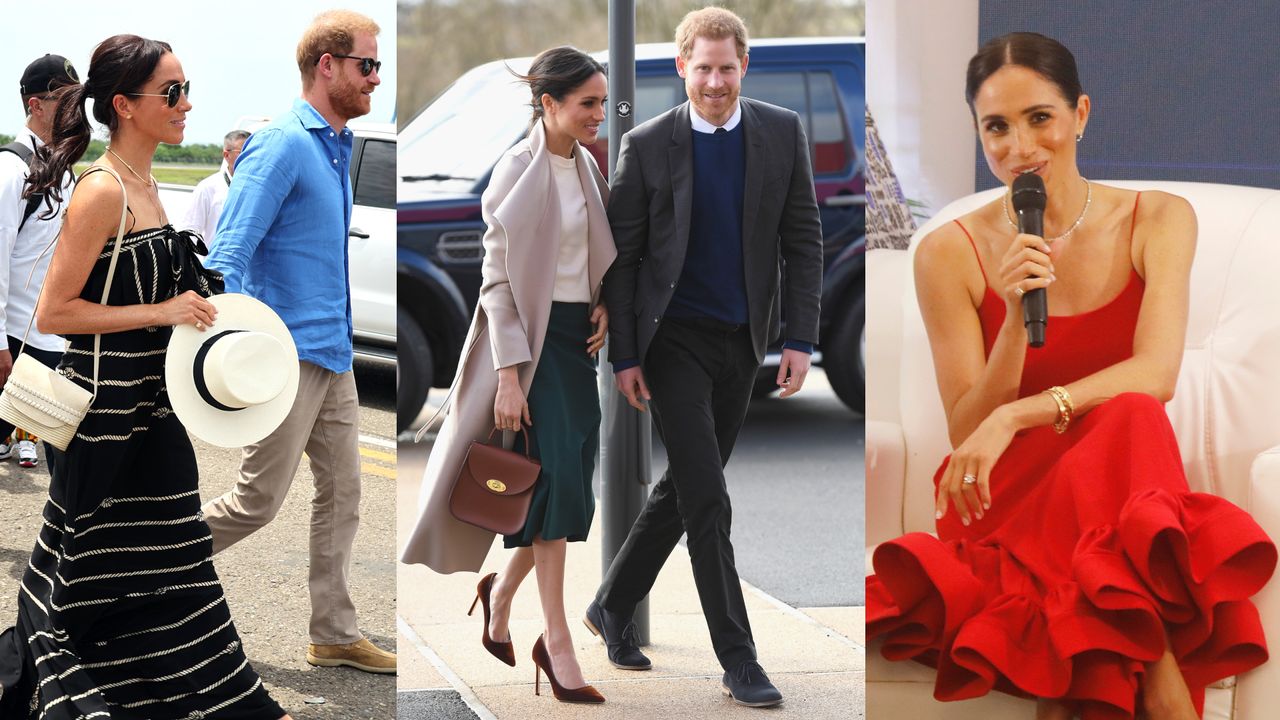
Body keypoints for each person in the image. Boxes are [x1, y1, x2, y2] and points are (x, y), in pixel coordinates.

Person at [865, 32, 1276, 720]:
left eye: (1039, 118)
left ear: (1080, 114)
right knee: (1127, 420)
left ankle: (1091, 674)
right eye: (997, 127)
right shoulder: (947, 253)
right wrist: (1013, 319)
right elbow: (968, 427)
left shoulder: (1159, 219)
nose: (1021, 146)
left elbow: (1156, 373)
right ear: (979, 133)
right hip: (1004, 493)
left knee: (1133, 414)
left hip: (1115, 481)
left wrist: (1018, 413)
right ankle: (1158, 664)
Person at [0, 34, 288, 719]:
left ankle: (212, 698)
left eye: (186, 88)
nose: (187, 104)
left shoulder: (152, 185)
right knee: (82, 573)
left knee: (176, 560)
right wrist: (162, 307)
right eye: (173, 92)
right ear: (124, 106)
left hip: (154, 411)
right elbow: (56, 311)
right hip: (102, 418)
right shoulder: (102, 191)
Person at [585, 7, 823, 709]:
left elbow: (802, 240)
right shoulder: (648, 145)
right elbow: (623, 262)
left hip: (742, 342)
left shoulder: (781, 133)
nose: (715, 81)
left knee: (686, 488)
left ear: (743, 67)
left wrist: (800, 340)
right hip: (673, 342)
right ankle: (739, 660)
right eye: (703, 67)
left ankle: (611, 602)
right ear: (681, 67)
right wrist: (625, 356)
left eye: (727, 68)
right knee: (709, 501)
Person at [401, 45, 616, 704]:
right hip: (535, 352)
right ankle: (556, 643)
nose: (599, 116)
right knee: (551, 503)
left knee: (565, 494)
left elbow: (589, 257)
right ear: (549, 104)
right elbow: (498, 285)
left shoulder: (585, 166)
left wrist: (603, 303)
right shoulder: (517, 172)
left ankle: (498, 596)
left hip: (580, 347)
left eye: (603, 103)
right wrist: (511, 377)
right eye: (587, 104)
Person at [201, 9, 396, 675]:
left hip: (335, 354)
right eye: (367, 65)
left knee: (344, 495)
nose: (377, 76)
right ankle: (140, 572)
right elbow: (229, 253)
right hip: (284, 357)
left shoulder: (336, 145)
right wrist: (233, 353)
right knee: (256, 502)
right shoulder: (283, 143)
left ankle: (334, 633)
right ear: (328, 66)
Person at [0, 54, 80, 472]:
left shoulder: (63, 172)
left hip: (47, 338)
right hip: (12, 339)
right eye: (64, 99)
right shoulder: (11, 171)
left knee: (65, 453)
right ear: (36, 104)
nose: (74, 109)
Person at [181, 128, 249, 248]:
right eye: (243, 152)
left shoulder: (262, 189)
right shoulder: (208, 188)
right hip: (215, 264)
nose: (250, 157)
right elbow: (190, 233)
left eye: (253, 152)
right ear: (226, 155)